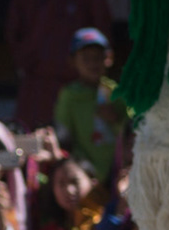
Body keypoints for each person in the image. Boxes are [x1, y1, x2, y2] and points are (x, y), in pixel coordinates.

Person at [5, 0, 112, 129]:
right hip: (37, 87)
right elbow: (13, 38)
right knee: (32, 146)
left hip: (79, 87)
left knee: (77, 147)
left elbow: (103, 37)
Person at [52, 28, 126, 181]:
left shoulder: (117, 92)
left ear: (109, 58)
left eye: (98, 57)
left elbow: (131, 132)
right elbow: (64, 134)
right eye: (86, 58)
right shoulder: (69, 95)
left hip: (119, 171)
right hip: (85, 173)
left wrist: (115, 121)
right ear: (73, 61)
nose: (93, 63)